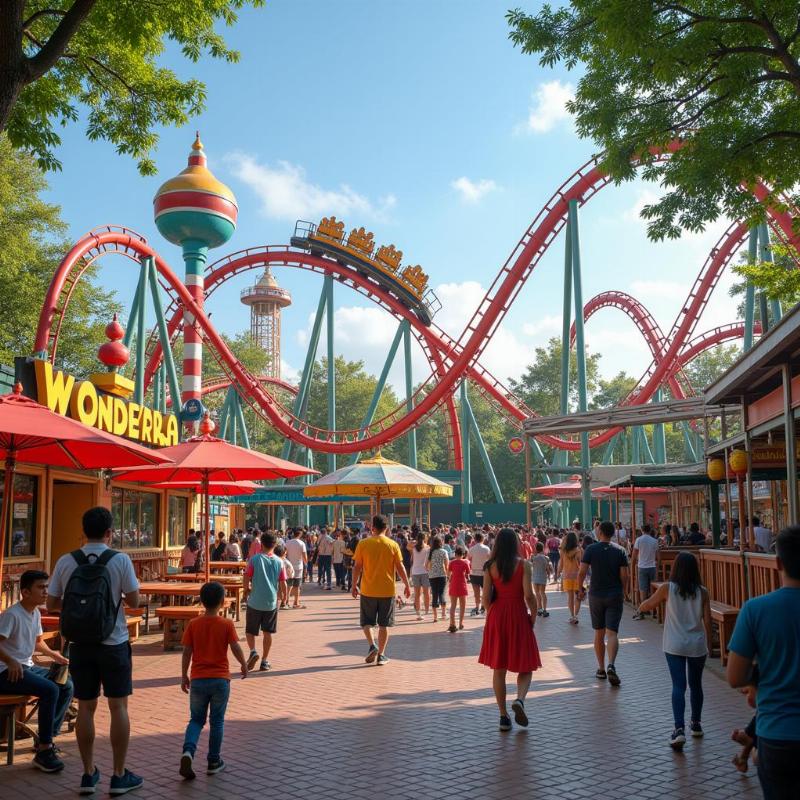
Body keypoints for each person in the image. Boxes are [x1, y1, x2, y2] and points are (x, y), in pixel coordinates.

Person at [47, 506, 143, 796]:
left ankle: (88, 774)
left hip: (79, 645)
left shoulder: (67, 561)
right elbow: (135, 600)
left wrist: (80, 611)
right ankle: (118, 774)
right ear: (109, 532)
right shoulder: (120, 560)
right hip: (113, 643)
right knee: (118, 707)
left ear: (82, 531)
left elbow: (52, 604)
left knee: (86, 707)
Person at [727, 525, 800, 800]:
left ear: (779, 562)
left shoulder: (755, 610)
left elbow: (735, 677)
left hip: (776, 734)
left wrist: (762, 674)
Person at [0, 570, 74, 773]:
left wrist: (55, 655)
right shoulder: (12, 615)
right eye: (40, 587)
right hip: (6, 672)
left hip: (27, 668)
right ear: (25, 591)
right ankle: (44, 751)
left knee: (66, 685)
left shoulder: (35, 614)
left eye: (46, 587)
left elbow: (38, 643)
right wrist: (10, 660)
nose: (45, 592)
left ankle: (45, 739)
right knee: (50, 690)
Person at [639, 552, 712, 749]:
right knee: (696, 685)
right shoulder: (703, 592)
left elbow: (649, 605)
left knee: (678, 686)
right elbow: (708, 620)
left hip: (674, 644)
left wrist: (640, 606)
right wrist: (709, 644)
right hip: (697, 644)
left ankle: (679, 729)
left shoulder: (668, 589)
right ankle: (696, 724)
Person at [179, 581, 248, 780]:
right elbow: (235, 646)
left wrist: (184, 675)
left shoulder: (193, 624)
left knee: (196, 720)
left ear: (201, 601)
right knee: (216, 721)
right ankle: (213, 760)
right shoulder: (226, 624)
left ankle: (188, 751)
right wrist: (243, 664)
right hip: (220, 679)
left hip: (198, 679)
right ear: (222, 601)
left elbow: (186, 652)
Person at [478, 527, 541, 731]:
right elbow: (529, 595)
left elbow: (485, 598)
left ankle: (503, 717)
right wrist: (534, 614)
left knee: (499, 668)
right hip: (517, 613)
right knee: (526, 664)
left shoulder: (490, 566)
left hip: (497, 614)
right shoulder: (524, 565)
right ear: (516, 543)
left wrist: (493, 614)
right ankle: (520, 700)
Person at [351, 515, 411, 665]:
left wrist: (353, 585)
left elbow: (357, 566)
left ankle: (372, 644)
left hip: (367, 589)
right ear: (387, 528)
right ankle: (382, 655)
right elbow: (400, 567)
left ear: (372, 527)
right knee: (384, 624)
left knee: (366, 622)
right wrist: (407, 584)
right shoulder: (393, 544)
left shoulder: (363, 543)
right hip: (387, 590)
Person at [578, 520, 629, 687]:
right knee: (612, 633)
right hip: (614, 593)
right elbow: (624, 575)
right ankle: (611, 664)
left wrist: (581, 589)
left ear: (599, 532)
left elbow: (582, 571)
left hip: (596, 595)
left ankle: (600, 668)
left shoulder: (591, 549)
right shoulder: (620, 551)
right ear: (613, 533)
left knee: (598, 633)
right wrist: (624, 591)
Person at [243, 532, 286, 673]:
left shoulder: (254, 559)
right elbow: (283, 582)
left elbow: (247, 576)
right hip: (271, 603)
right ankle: (265, 660)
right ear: (275, 545)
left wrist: (246, 590)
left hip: (255, 600)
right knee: (268, 632)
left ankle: (253, 651)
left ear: (261, 543)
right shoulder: (280, 562)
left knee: (250, 631)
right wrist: (284, 596)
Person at [632, 523, 659, 621]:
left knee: (643, 590)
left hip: (642, 567)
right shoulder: (654, 541)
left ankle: (643, 612)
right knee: (653, 590)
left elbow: (634, 555)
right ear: (649, 530)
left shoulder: (639, 540)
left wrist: (632, 564)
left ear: (642, 530)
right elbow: (658, 556)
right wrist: (658, 566)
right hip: (652, 566)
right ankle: (655, 611)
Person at [557, 532, 583, 624]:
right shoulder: (579, 550)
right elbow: (581, 564)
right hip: (577, 576)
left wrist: (558, 573)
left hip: (567, 576)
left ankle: (572, 615)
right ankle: (576, 616)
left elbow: (561, 564)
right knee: (578, 597)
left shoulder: (563, 551)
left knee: (570, 597)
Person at [447, 545, 470, 632]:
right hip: (462, 585)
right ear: (463, 554)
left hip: (453, 584)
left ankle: (452, 623)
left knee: (453, 605)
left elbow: (448, 574)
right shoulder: (465, 563)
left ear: (455, 554)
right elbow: (468, 573)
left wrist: (450, 580)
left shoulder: (452, 562)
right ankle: (461, 623)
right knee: (462, 605)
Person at [408, 532, 431, 620]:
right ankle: (426, 611)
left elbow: (407, 545)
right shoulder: (428, 548)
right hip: (425, 572)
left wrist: (414, 541)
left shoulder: (413, 548)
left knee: (417, 594)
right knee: (426, 593)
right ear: (425, 538)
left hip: (415, 572)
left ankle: (418, 612)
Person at [427, 535, 449, 623]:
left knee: (434, 594)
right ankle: (443, 614)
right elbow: (447, 565)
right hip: (442, 575)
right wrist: (447, 574)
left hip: (432, 575)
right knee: (442, 593)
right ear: (441, 542)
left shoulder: (430, 551)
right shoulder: (444, 551)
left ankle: (435, 617)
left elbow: (426, 565)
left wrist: (430, 570)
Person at [468, 532, 491, 615]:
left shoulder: (472, 549)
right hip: (485, 573)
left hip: (474, 572)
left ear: (475, 539)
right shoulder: (487, 548)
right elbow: (490, 559)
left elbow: (468, 558)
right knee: (485, 591)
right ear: (483, 539)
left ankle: (477, 607)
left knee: (476, 592)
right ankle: (483, 606)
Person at [284, 531, 308, 608]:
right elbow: (304, 556)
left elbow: (284, 553)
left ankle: (286, 601)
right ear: (300, 534)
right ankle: (296, 602)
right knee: (297, 585)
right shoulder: (301, 543)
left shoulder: (287, 542)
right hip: (298, 567)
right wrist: (306, 564)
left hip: (288, 566)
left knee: (288, 584)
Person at [531, 542, 551, 618]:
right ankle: (545, 610)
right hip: (542, 577)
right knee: (543, 593)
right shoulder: (546, 558)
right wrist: (549, 575)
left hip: (535, 577)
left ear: (536, 549)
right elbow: (547, 568)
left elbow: (531, 565)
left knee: (537, 593)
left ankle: (539, 609)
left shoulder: (533, 558)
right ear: (542, 548)